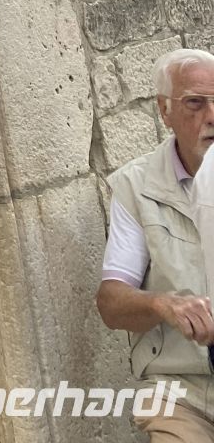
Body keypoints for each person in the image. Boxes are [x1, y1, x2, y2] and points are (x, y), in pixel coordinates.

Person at [98, 48, 214, 437]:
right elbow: (112, 303)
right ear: (164, 112)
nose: (211, 117)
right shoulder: (136, 186)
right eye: (195, 103)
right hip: (180, 389)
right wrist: (162, 304)